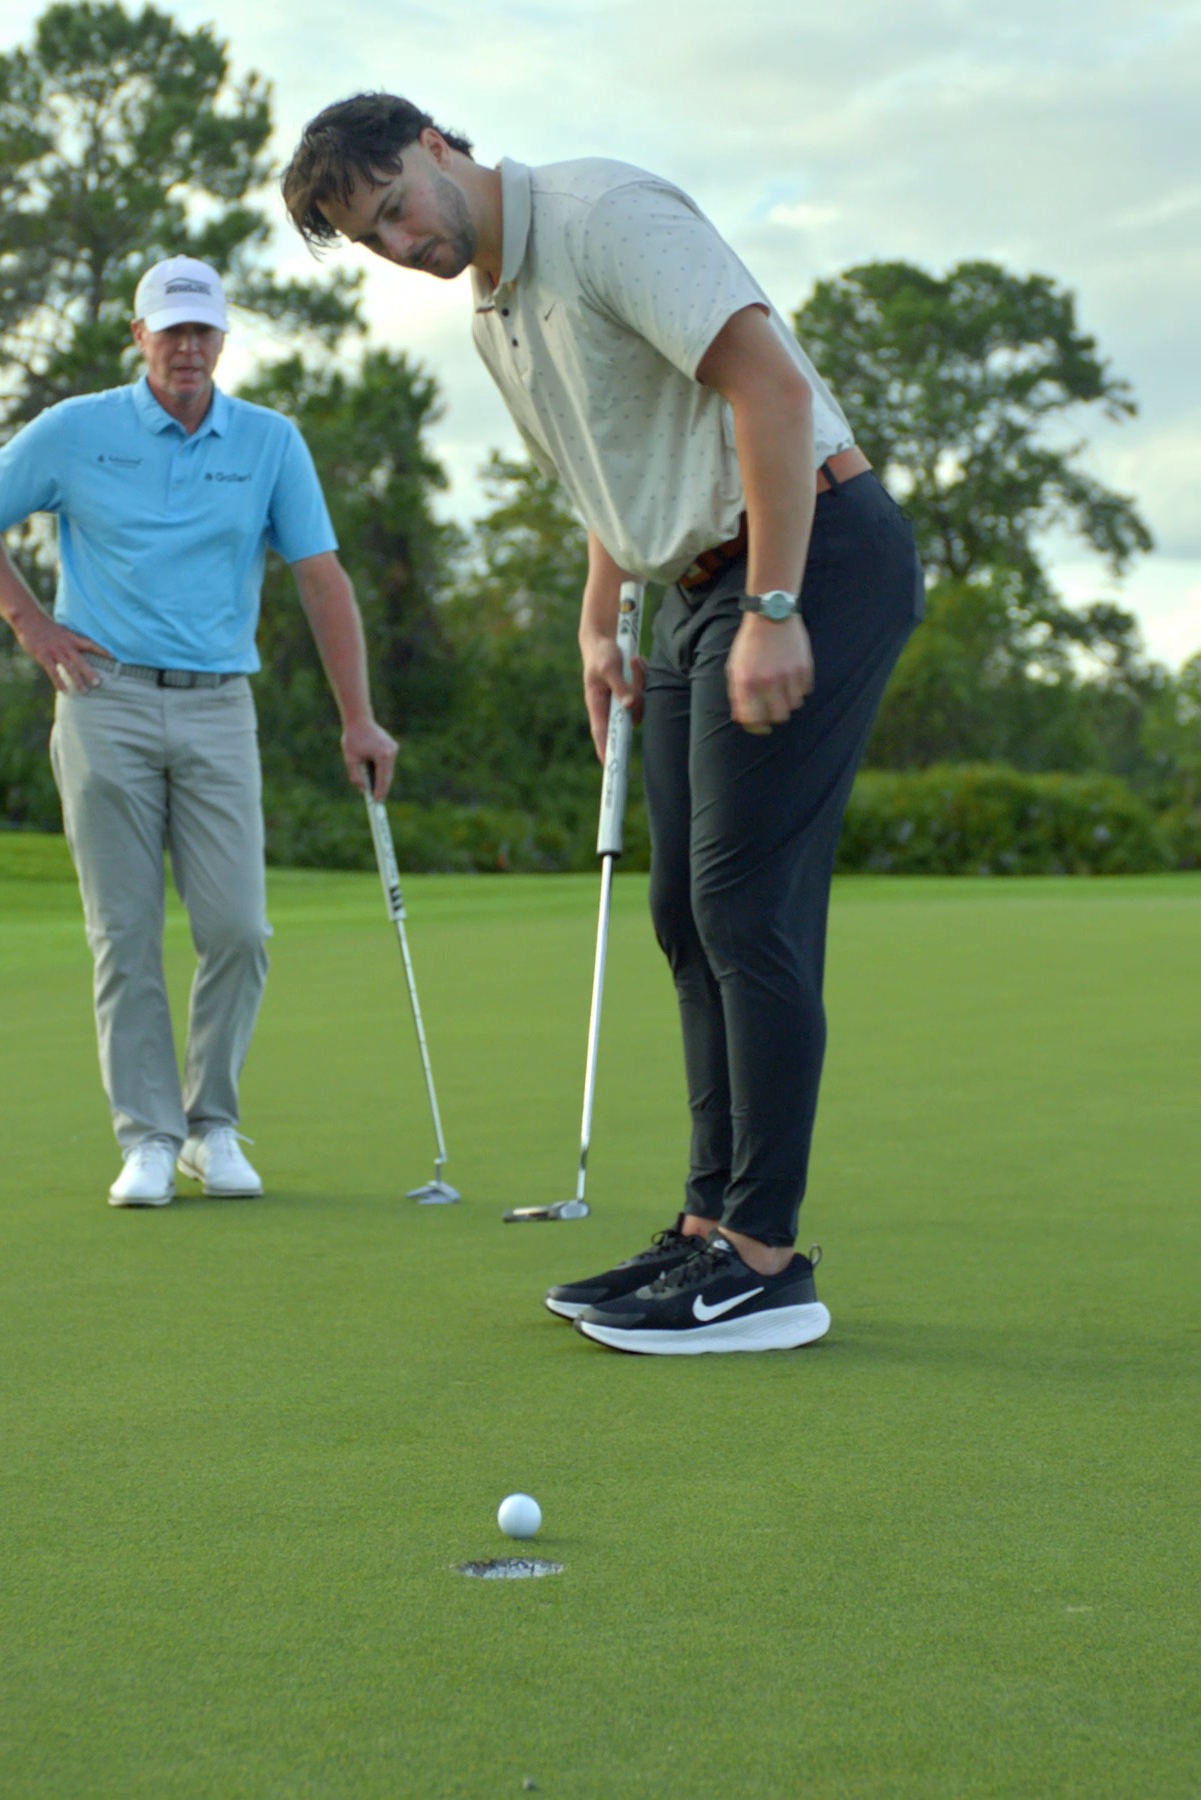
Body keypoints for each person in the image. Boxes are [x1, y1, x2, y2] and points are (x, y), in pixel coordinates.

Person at [282, 97, 923, 1353]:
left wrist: (777, 605)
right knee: (683, 911)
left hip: (809, 555)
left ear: (439, 147)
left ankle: (764, 1260)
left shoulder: (603, 216)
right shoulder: (494, 310)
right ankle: (707, 1224)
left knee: (745, 907)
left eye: (397, 207)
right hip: (692, 591)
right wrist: (596, 623)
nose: (401, 244)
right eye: (372, 241)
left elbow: (772, 389)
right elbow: (608, 472)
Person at [0, 254, 397, 1209]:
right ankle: (148, 1137)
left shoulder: (269, 442)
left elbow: (321, 578)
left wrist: (358, 717)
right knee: (126, 933)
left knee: (238, 929)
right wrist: (31, 625)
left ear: (222, 338)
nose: (188, 347)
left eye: (203, 330)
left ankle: (209, 1126)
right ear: (140, 336)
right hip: (102, 697)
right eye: (171, 329)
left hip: (219, 703)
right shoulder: (78, 429)